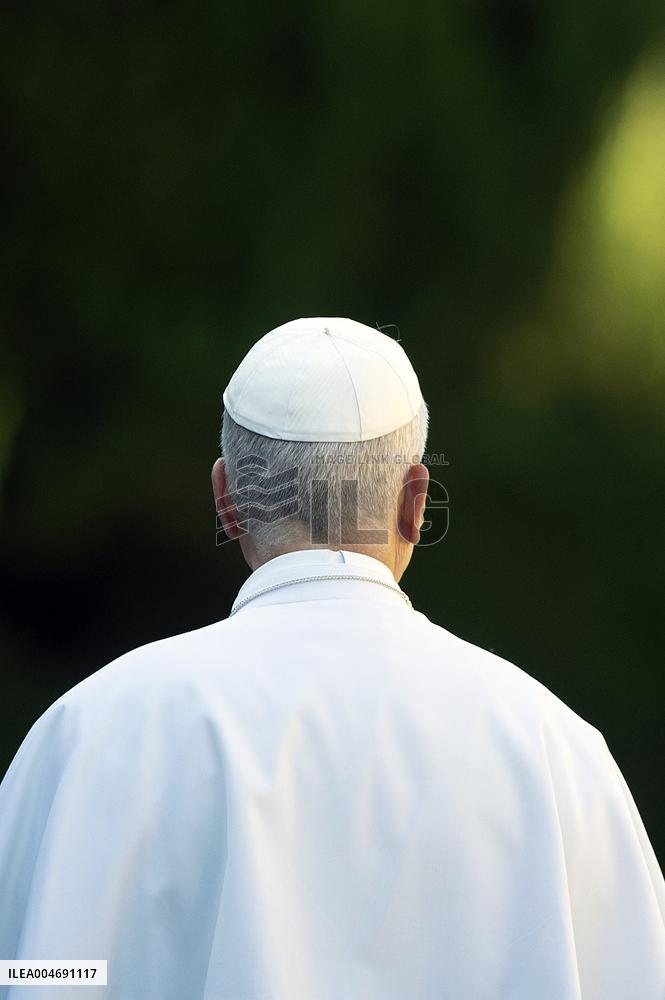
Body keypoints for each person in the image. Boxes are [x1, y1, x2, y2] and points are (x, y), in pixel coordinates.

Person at [0, 317, 663, 999]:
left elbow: (36, 970)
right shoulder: (554, 752)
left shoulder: (93, 732)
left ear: (226, 497)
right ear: (415, 500)